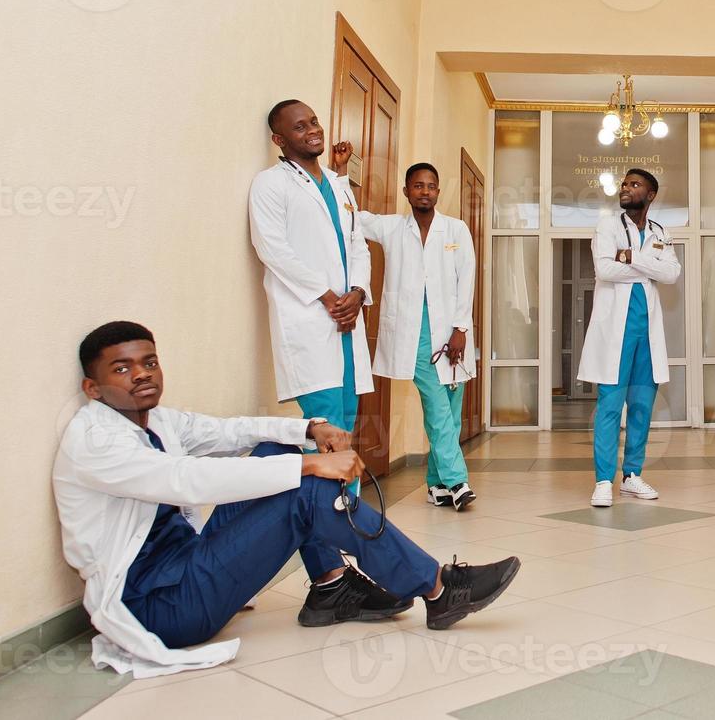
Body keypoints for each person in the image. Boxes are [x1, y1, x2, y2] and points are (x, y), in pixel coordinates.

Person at [53, 321, 521, 677]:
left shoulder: (153, 420)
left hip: (185, 563)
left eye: (149, 362)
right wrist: (311, 464)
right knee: (304, 490)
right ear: (92, 388)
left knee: (276, 451)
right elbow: (185, 479)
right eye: (122, 368)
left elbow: (228, 431)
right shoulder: (94, 441)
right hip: (159, 606)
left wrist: (307, 430)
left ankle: (332, 589)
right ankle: (437, 589)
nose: (141, 375)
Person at [333, 147, 478, 511]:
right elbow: (352, 217)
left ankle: (435, 484)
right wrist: (339, 175)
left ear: (438, 192)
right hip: (414, 334)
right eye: (417, 186)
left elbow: (467, 280)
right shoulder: (392, 227)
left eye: (431, 186)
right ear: (406, 191)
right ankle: (457, 480)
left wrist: (460, 328)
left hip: (452, 332)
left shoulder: (456, 229)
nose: (424, 192)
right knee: (436, 403)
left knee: (450, 405)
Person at [248, 100, 373, 442]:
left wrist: (358, 293)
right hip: (310, 317)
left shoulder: (338, 184)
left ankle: (346, 498)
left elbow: (357, 243)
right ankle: (327, 498)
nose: (314, 130)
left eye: (314, 122)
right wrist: (330, 298)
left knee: (348, 417)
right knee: (326, 421)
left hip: (347, 317)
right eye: (300, 127)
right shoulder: (270, 184)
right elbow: (272, 249)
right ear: (279, 140)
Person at [577, 168, 681, 507]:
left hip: (646, 334)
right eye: (624, 183)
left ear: (650, 195)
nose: (626, 188)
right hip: (615, 333)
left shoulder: (659, 231)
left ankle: (632, 475)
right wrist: (649, 264)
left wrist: (633, 256)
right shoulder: (607, 227)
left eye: (634, 184)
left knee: (641, 406)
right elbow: (605, 269)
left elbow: (671, 273)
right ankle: (604, 480)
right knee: (609, 406)